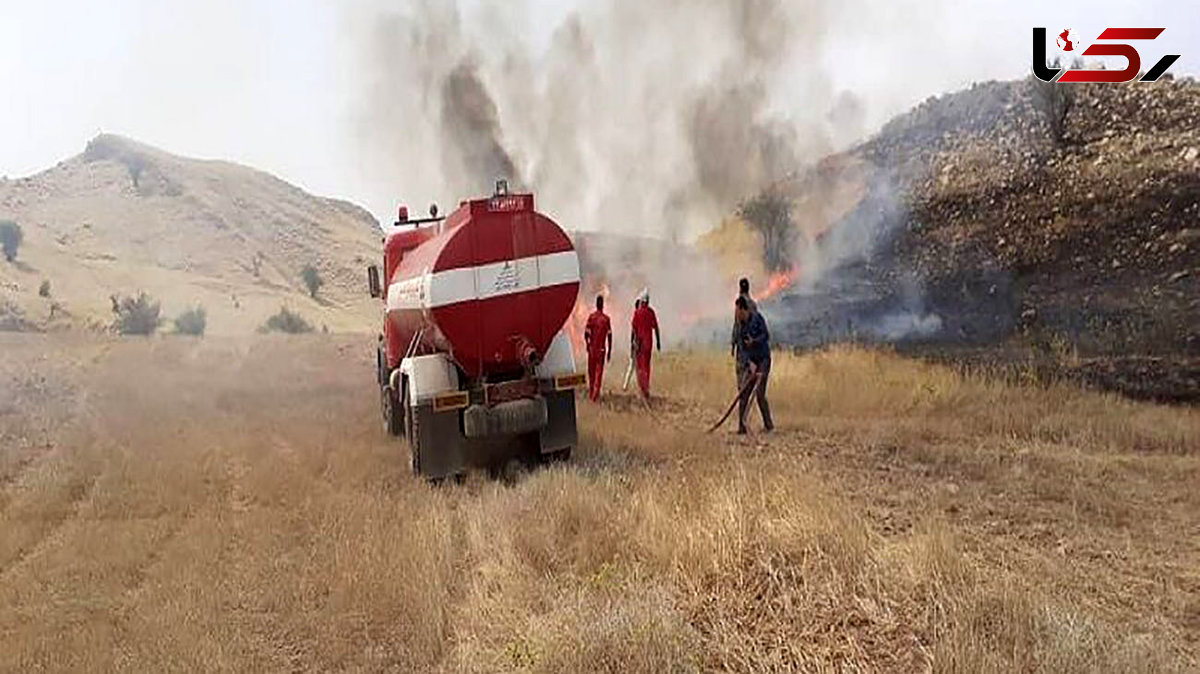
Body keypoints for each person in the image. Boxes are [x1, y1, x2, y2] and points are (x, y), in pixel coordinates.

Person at [735, 295, 773, 434]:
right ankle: (741, 427)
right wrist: (749, 363)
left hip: (764, 360)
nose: (737, 314)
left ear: (744, 310)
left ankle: (768, 425)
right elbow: (743, 348)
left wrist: (754, 341)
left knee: (760, 393)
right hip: (752, 362)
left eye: (738, 311)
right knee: (744, 393)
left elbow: (766, 336)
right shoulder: (741, 327)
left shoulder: (757, 319)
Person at [630, 289, 661, 399]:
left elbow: (633, 331)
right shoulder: (651, 312)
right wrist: (658, 342)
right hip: (648, 345)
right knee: (646, 367)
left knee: (640, 367)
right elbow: (656, 328)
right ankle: (646, 388)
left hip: (639, 345)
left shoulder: (637, 313)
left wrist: (631, 346)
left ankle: (642, 389)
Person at [583, 294, 612, 401]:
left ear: (596, 304)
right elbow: (610, 335)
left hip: (592, 350)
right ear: (602, 305)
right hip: (601, 350)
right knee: (598, 373)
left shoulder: (591, 317)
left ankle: (592, 393)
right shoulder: (606, 319)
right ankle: (595, 394)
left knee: (591, 372)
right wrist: (609, 350)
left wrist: (587, 344)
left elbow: (586, 333)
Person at [730, 277, 758, 387]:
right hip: (751, 344)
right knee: (749, 373)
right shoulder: (753, 304)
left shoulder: (739, 304)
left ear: (740, 288)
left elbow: (736, 325)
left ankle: (743, 400)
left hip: (742, 344)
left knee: (741, 373)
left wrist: (733, 343)